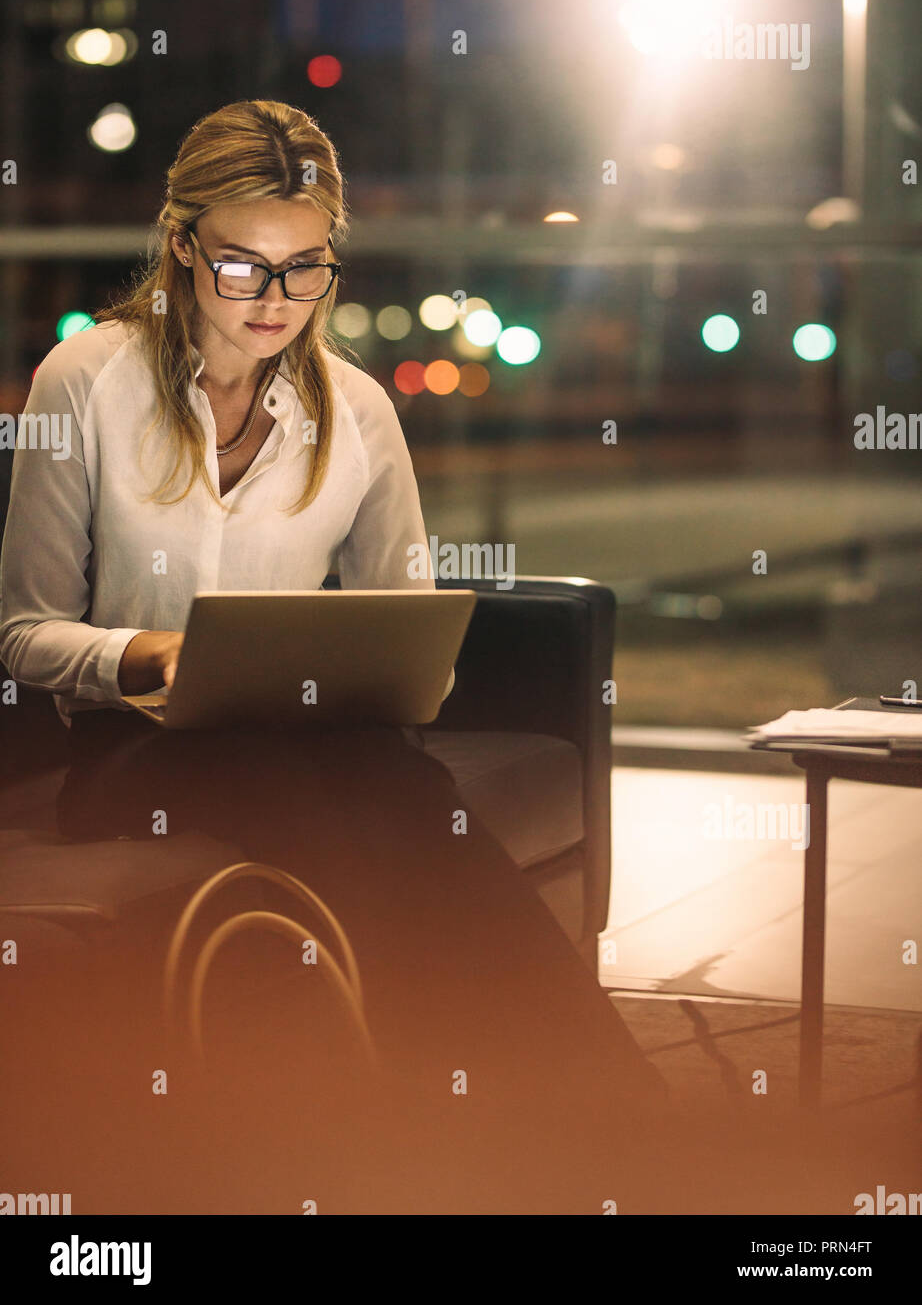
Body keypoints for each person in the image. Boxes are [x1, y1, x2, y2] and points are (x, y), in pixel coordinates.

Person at [0, 99, 664, 1212]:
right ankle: (468, 1125)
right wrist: (149, 654)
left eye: (305, 268)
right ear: (181, 245)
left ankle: (608, 1122)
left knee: (404, 791)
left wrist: (380, 663)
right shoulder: (88, 381)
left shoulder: (355, 411)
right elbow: (23, 633)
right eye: (243, 266)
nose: (275, 300)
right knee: (333, 796)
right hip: (131, 754)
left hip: (311, 735)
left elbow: (409, 618)